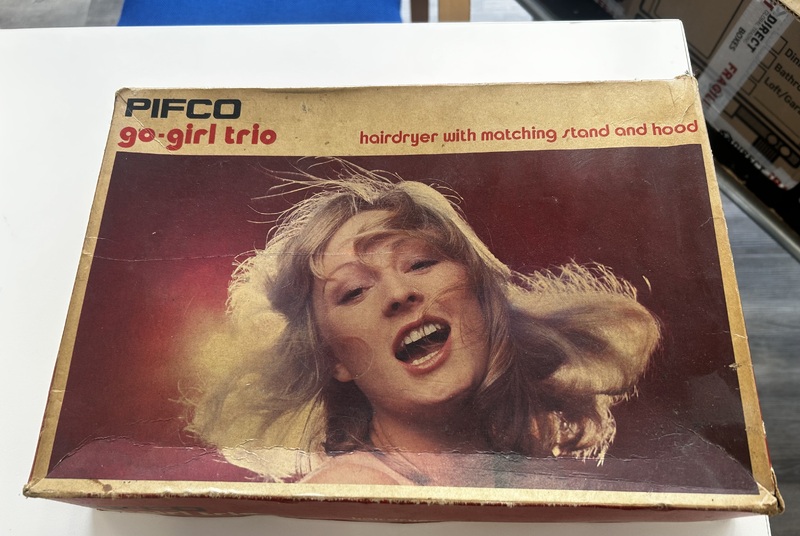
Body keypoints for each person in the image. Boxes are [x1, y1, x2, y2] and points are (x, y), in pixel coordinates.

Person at [185, 161, 660, 486]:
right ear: (332, 359)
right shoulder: (356, 487)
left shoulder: (530, 468)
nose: (399, 293)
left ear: (480, 294)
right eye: (354, 291)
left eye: (420, 263)